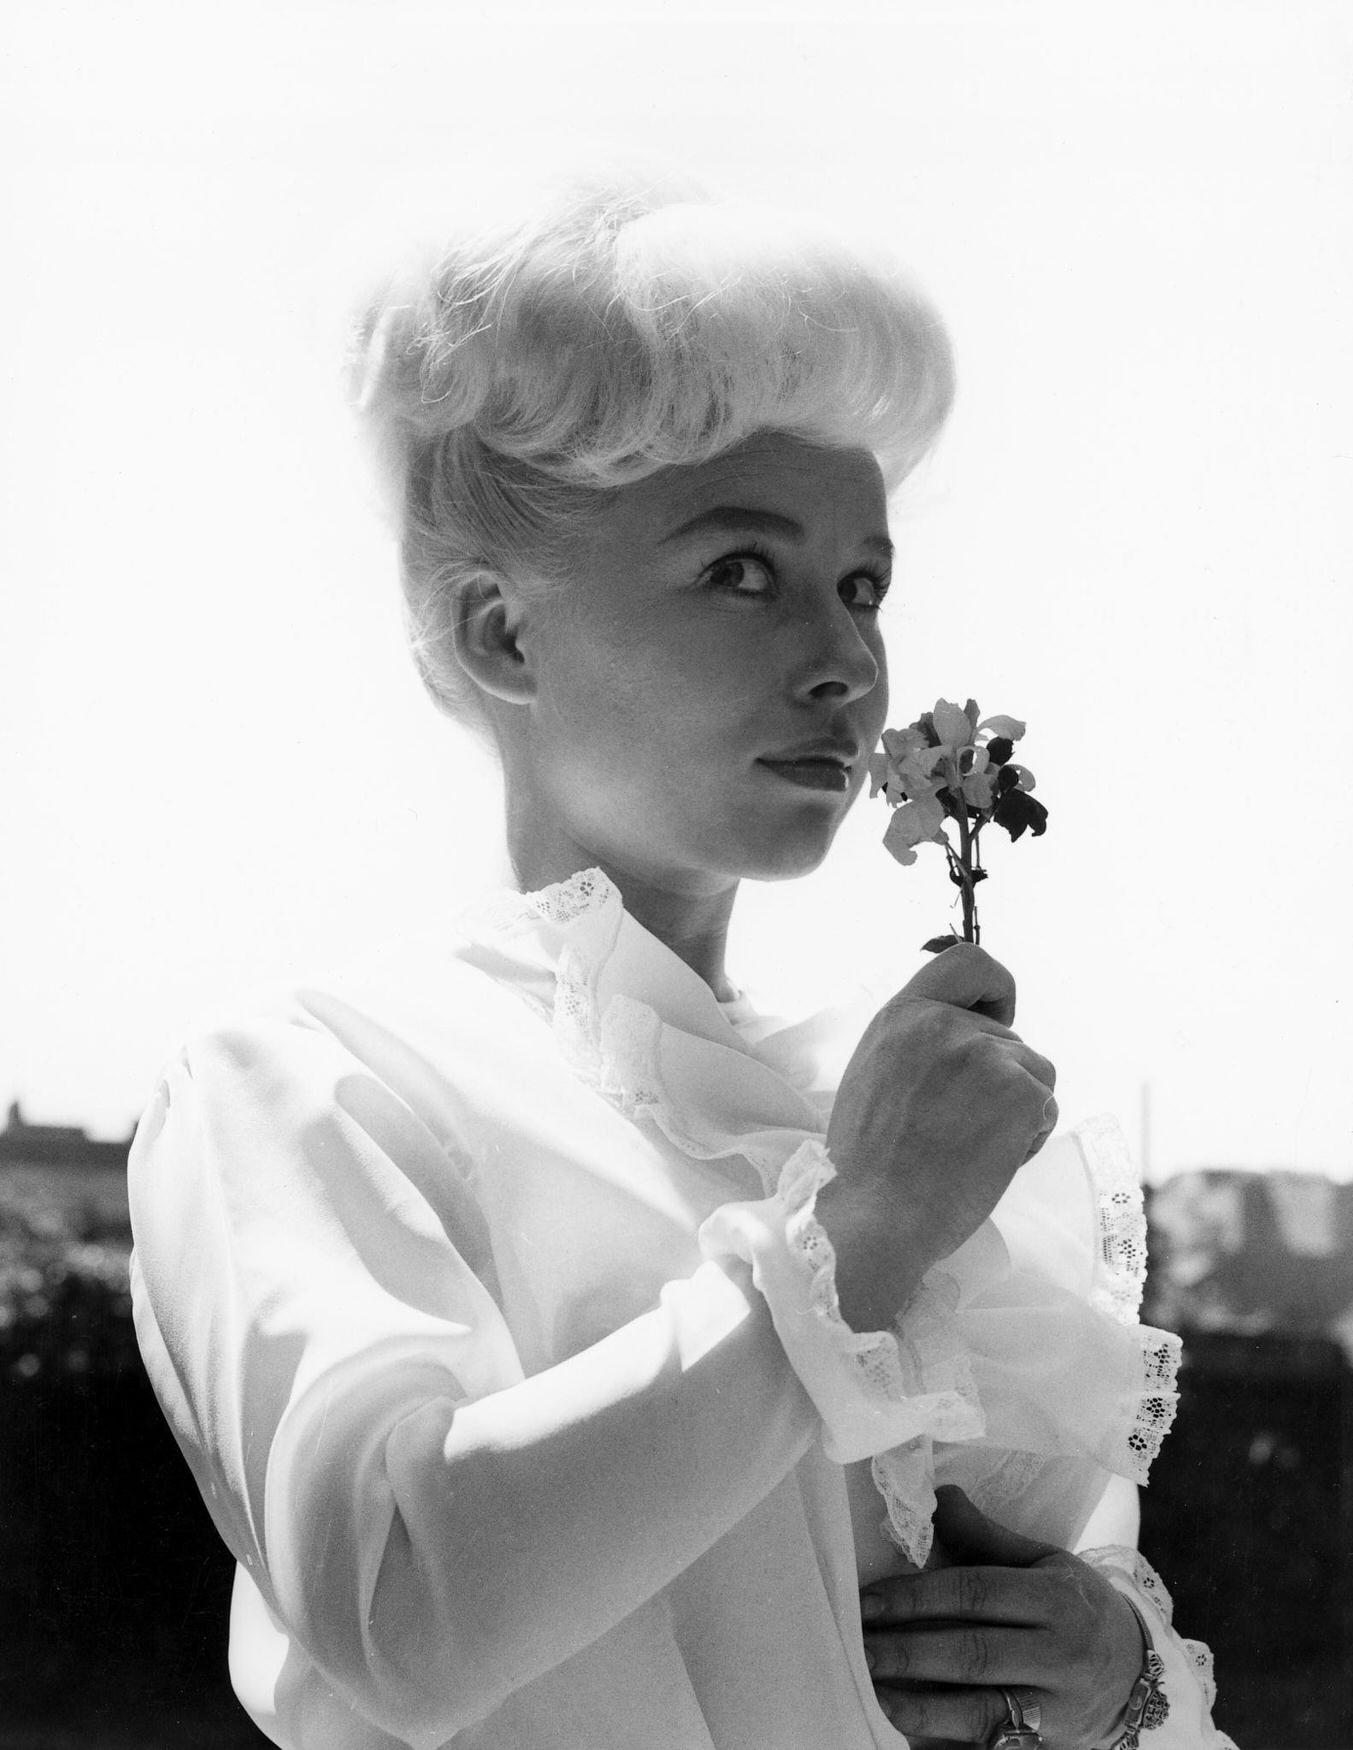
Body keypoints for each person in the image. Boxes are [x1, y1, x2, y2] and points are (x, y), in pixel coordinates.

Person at [128, 178, 1236, 1750]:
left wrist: (1110, 1675)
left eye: (864, 585)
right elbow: (401, 1606)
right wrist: (853, 1235)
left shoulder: (884, 1110)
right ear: (502, 633)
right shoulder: (312, 1081)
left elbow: (1036, 1649)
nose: (845, 660)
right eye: (741, 570)